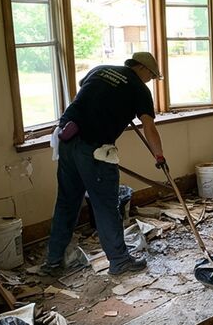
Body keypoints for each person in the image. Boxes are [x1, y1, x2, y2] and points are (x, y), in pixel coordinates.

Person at [42, 52, 167, 275]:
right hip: (94, 147)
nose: (150, 80)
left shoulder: (100, 69)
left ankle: (53, 261)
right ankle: (119, 261)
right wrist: (159, 157)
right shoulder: (139, 89)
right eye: (151, 76)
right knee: (106, 206)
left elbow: (89, 90)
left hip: (66, 139)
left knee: (66, 202)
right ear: (143, 69)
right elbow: (149, 127)